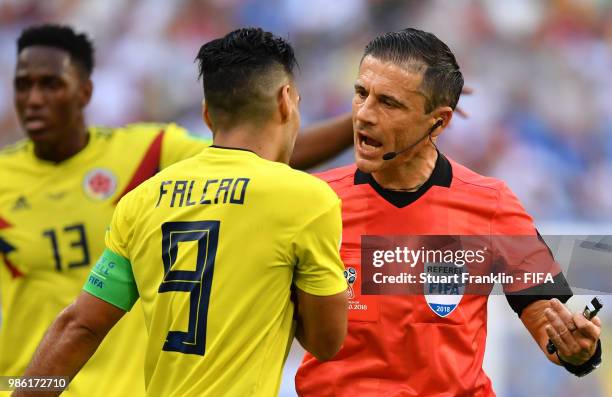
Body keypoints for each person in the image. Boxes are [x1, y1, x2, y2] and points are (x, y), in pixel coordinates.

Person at [0, 24, 353, 397]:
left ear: (206, 115)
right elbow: (326, 342)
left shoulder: (140, 199)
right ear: (286, 101)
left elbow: (80, 326)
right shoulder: (306, 200)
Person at [296, 28, 603, 396]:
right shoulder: (315, 202)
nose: (363, 115)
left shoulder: (491, 205)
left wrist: (578, 350)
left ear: (438, 122)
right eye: (361, 94)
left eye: (389, 103)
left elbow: (552, 323)